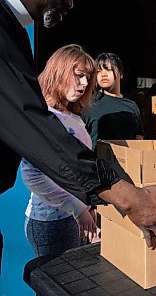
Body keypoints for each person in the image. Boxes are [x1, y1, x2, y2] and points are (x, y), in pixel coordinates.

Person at [0, 0, 156, 270]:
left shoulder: (11, 28)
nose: (71, 2)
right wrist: (127, 197)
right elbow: (36, 133)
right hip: (53, 218)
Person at [23, 44, 98, 256]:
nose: (84, 84)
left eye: (87, 78)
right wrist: (77, 208)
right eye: (79, 75)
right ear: (59, 72)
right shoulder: (43, 115)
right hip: (49, 221)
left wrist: (87, 207)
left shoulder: (73, 117)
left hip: (75, 216)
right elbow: (32, 175)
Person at [82, 53, 144, 150]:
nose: (103, 74)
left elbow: (139, 139)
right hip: (97, 163)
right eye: (99, 71)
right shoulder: (89, 103)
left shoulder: (131, 106)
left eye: (109, 69)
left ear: (121, 73)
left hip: (127, 162)